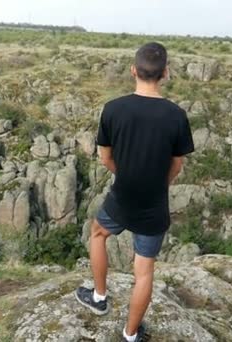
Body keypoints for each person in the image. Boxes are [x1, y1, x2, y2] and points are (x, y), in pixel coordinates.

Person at [75, 42, 195, 342]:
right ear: (165, 73)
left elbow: (104, 157)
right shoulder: (176, 115)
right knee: (144, 271)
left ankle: (99, 297)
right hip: (155, 204)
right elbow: (177, 164)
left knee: (98, 233)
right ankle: (130, 334)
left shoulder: (114, 108)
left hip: (122, 196)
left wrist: (125, 175)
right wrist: (158, 184)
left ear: (133, 70)